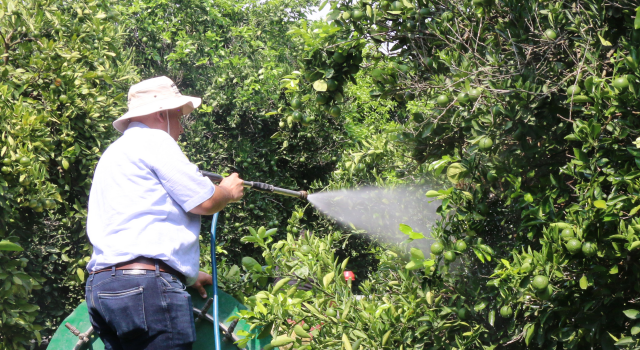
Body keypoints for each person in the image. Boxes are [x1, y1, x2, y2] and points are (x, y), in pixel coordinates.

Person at [84, 76, 244, 350]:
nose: (181, 129)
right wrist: (227, 191)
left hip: (102, 289)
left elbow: (138, 229)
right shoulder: (154, 140)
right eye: (178, 118)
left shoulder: (113, 154)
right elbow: (205, 201)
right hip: (146, 288)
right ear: (161, 114)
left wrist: (189, 276)